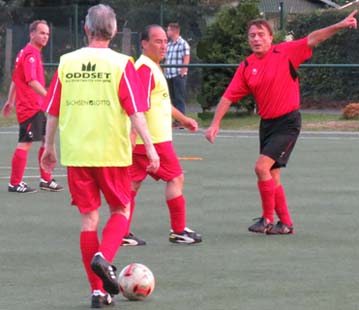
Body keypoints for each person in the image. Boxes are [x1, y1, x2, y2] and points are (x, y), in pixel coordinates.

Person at [40, 5, 159, 308]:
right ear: (114, 31)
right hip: (111, 153)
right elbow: (136, 111)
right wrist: (150, 146)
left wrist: (48, 147)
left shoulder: (67, 62)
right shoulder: (121, 63)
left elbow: (52, 109)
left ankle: (98, 292)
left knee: (89, 220)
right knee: (121, 210)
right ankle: (103, 258)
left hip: (78, 153)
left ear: (86, 29)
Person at [205, 11, 358, 235]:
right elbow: (228, 96)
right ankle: (285, 223)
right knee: (272, 175)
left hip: (287, 123)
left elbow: (314, 38)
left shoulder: (285, 52)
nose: (256, 39)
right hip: (267, 125)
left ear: (270, 37)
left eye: (260, 34)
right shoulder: (247, 66)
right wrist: (214, 123)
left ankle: (267, 219)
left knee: (261, 167)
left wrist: (341, 24)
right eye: (252, 36)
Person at [122, 24, 202, 246]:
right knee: (176, 178)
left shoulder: (152, 67)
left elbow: (162, 103)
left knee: (132, 186)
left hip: (145, 141)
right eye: (158, 41)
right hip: (154, 142)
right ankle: (178, 231)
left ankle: (121, 232)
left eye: (165, 41)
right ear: (144, 44)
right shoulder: (145, 69)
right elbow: (137, 106)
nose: (164, 45)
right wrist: (133, 137)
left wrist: (184, 120)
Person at [2, 20, 63, 193]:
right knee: (25, 143)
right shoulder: (30, 54)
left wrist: (10, 100)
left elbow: (15, 78)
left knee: (46, 140)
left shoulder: (27, 52)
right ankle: (14, 183)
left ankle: (46, 179)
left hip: (36, 106)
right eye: (42, 33)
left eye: (47, 34)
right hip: (30, 106)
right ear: (32, 34)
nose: (45, 37)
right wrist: (50, 96)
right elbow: (31, 81)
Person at [165, 22, 190, 127]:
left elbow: (186, 58)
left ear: (174, 31)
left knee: (179, 98)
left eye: (168, 30)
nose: (167, 32)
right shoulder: (169, 44)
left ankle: (181, 120)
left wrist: (182, 73)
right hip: (169, 75)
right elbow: (166, 59)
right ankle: (176, 120)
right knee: (173, 98)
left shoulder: (183, 43)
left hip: (178, 75)